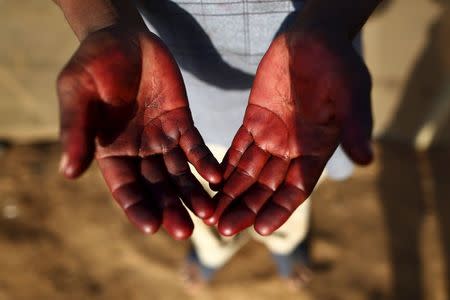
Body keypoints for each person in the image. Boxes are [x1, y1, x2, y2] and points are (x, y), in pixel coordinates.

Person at [52, 0, 378, 241]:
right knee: (196, 198)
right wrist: (102, 20)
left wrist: (333, 18)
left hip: (309, 89)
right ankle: (212, 254)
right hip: (164, 88)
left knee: (286, 199)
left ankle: (286, 249)